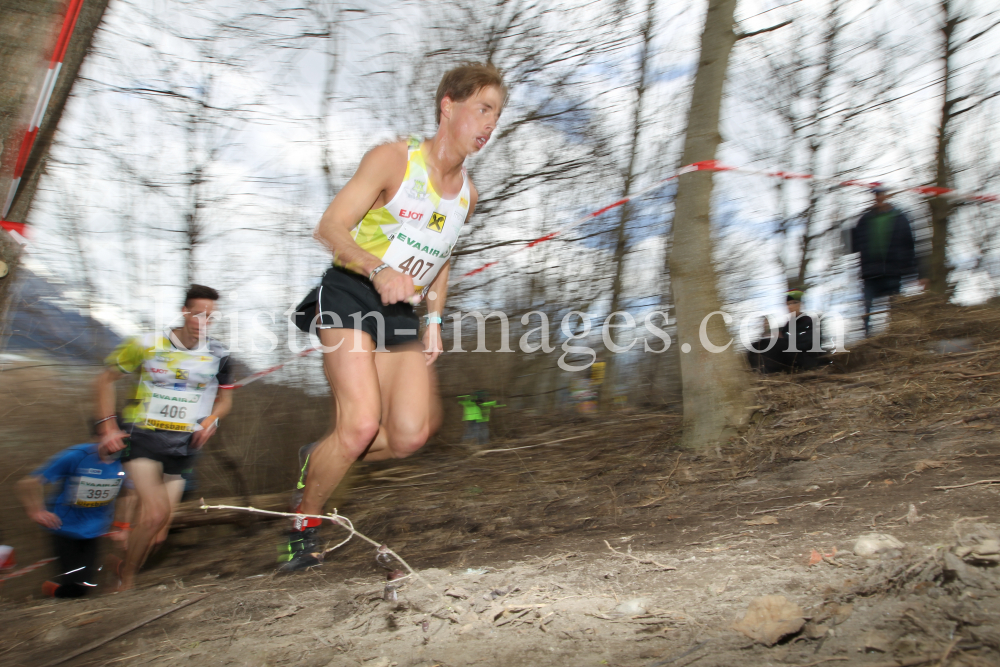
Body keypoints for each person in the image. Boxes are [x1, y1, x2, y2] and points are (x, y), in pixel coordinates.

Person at [280, 63, 506, 572]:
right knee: (360, 425)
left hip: (401, 309)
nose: (490, 124)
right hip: (350, 292)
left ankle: (318, 457)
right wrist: (377, 267)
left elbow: (442, 256)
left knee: (411, 434)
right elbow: (331, 226)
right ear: (448, 105)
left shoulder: (467, 197)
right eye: (483, 109)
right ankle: (302, 529)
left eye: (497, 115)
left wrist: (434, 320)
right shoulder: (394, 161)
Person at [94, 284, 233, 590]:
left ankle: (124, 565)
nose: (204, 321)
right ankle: (127, 581)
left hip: (184, 445)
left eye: (210, 316)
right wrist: (107, 426)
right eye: (198, 314)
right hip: (143, 436)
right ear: (185, 312)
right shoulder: (146, 344)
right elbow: (105, 379)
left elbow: (226, 400)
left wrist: (211, 420)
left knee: (158, 530)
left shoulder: (219, 354)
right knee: (154, 513)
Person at [17, 437, 126, 598]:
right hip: (64, 528)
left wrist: (120, 525)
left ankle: (59, 589)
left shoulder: (123, 463)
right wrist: (36, 511)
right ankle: (49, 589)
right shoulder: (76, 455)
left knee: (87, 585)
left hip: (93, 532)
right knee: (78, 589)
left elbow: (127, 494)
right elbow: (27, 483)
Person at [850, 186, 921, 336]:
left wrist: (915, 271)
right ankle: (867, 340)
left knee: (895, 309)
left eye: (881, 194)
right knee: (868, 311)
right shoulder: (864, 219)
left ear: (887, 196)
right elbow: (853, 245)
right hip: (870, 274)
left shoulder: (900, 218)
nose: (878, 198)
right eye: (875, 195)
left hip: (893, 271)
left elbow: (910, 245)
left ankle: (896, 337)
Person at [748, 291, 824, 373]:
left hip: (805, 358)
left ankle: (769, 372)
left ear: (800, 304)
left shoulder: (810, 321)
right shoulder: (789, 324)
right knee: (757, 345)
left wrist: (784, 339)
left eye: (794, 303)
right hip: (790, 357)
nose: (790, 307)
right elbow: (781, 336)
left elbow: (809, 343)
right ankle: (761, 372)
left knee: (775, 344)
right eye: (788, 304)